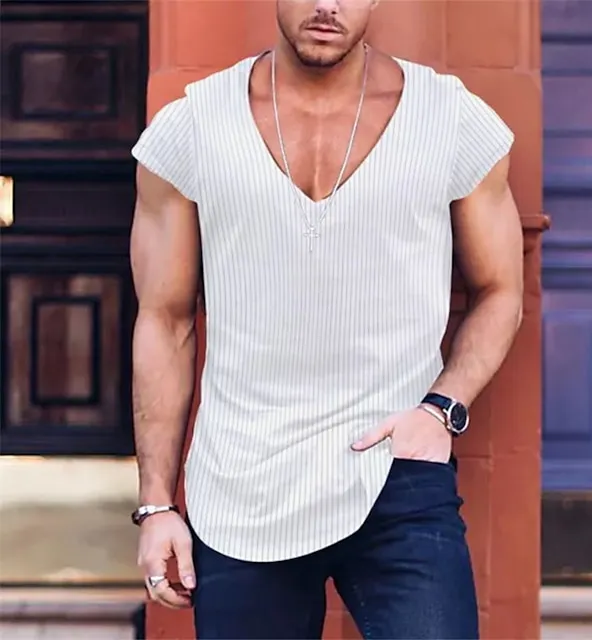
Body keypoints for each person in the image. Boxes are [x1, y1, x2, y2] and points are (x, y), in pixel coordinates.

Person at [129, 1, 524, 638]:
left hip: (396, 468)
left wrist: (440, 410)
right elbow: (164, 320)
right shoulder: (193, 127)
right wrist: (156, 505)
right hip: (242, 481)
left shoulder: (450, 119)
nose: (327, 4)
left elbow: (501, 290)